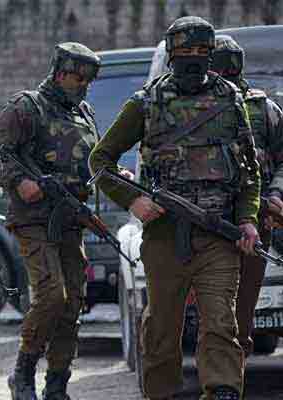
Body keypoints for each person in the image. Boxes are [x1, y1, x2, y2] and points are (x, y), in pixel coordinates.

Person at [89, 16, 261, 400]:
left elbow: (249, 173)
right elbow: (100, 161)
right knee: (162, 329)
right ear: (171, 54)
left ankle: (222, 391)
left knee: (221, 323)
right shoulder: (146, 103)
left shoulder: (231, 100)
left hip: (219, 236)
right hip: (165, 237)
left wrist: (248, 219)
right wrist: (133, 200)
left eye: (201, 51)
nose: (193, 58)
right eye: (185, 51)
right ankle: (161, 393)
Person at [0, 42, 101, 400]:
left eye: (87, 80)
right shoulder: (27, 107)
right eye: (77, 78)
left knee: (72, 304)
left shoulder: (84, 113)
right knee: (52, 295)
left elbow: (91, 160)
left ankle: (57, 383)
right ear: (59, 73)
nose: (82, 85)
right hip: (34, 219)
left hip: (70, 220)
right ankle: (23, 372)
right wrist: (20, 182)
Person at [211, 35, 283, 359]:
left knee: (241, 312)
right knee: (217, 309)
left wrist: (275, 194)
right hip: (207, 221)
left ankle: (230, 371)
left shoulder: (264, 109)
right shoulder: (191, 107)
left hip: (256, 218)